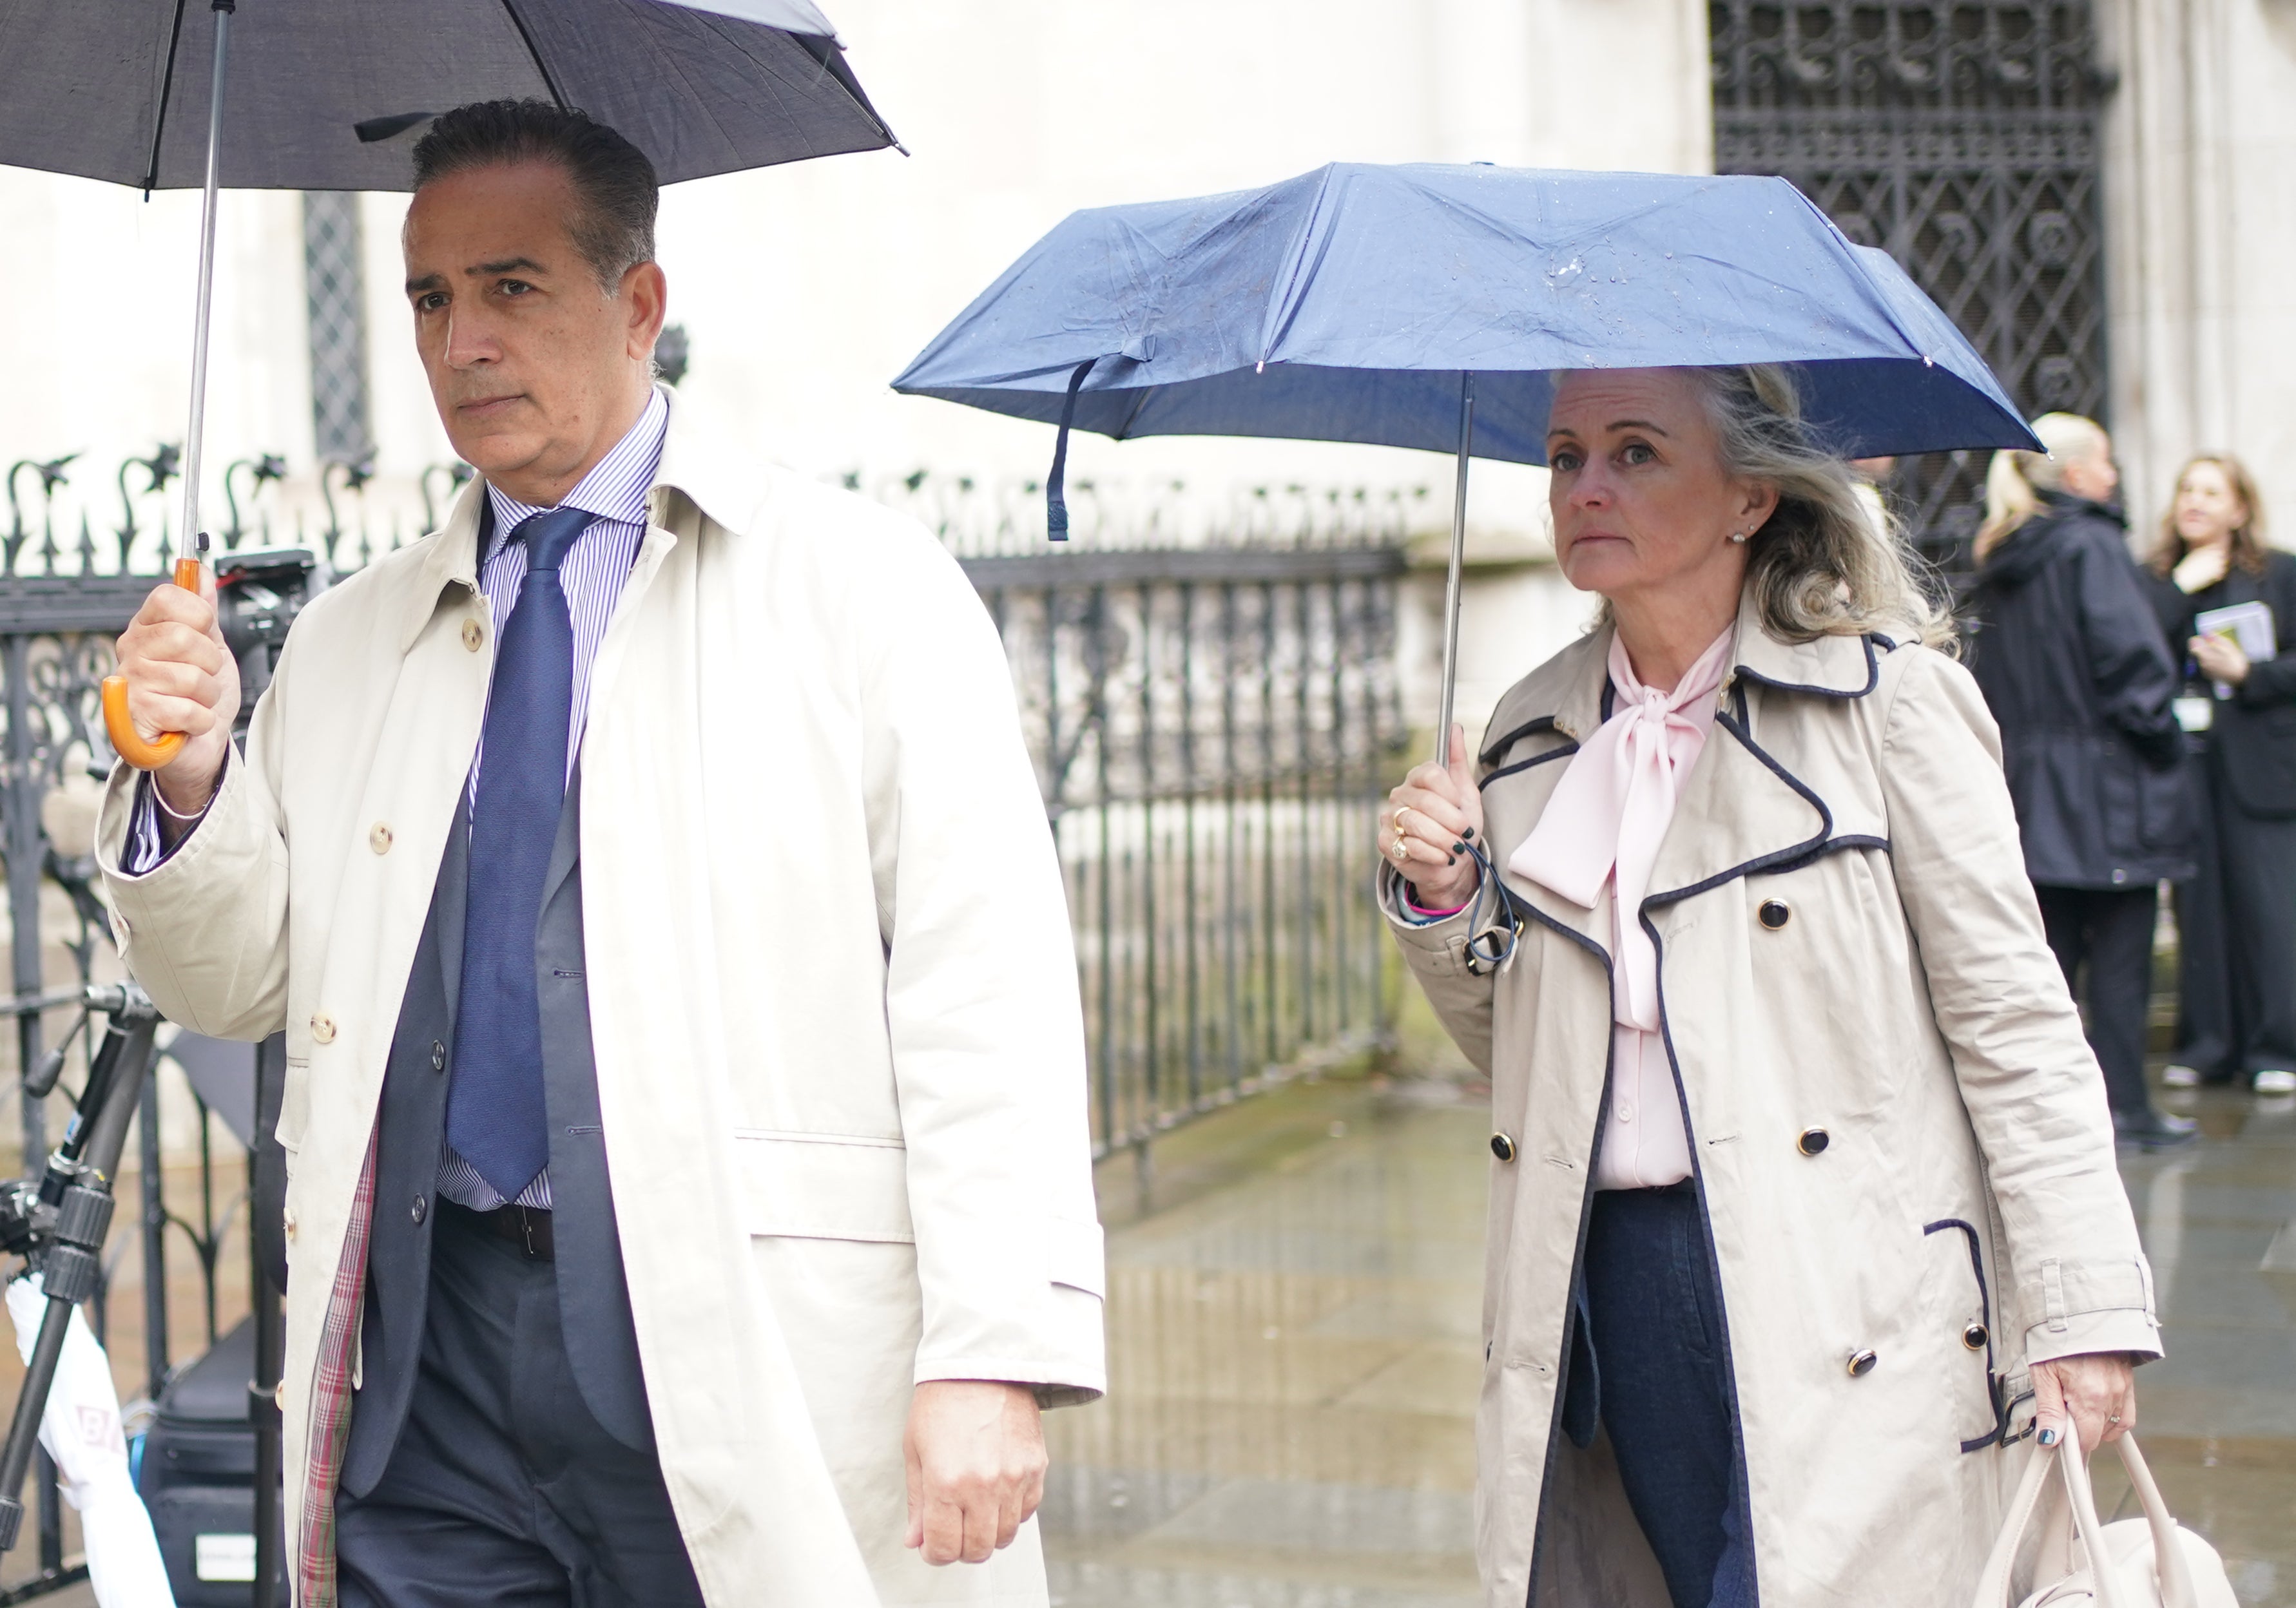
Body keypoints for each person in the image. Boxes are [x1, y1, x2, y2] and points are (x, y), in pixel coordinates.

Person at [96, 101, 1105, 1608]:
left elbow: (986, 995)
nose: (460, 342)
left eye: (512, 287)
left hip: (731, 1351)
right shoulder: (353, 634)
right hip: (423, 1378)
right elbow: (234, 981)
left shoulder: (865, 596)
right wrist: (190, 783)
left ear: (638, 305)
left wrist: (990, 1351)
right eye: (430, 297)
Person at [1379, 366, 2156, 1605]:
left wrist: (2082, 1311)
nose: (1585, 486)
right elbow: (1519, 1052)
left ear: (1748, 495)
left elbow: (2016, 1027)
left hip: (1849, 1285)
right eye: (1565, 453)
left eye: (1635, 452)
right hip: (1612, 1278)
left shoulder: (1887, 706)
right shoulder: (1527, 738)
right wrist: (1444, 898)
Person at [1963, 414, 2197, 1149]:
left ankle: (2043, 1117)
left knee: (2047, 963)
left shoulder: (2002, 553)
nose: (2114, 473)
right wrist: (2165, 741)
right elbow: (2130, 665)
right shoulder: (2090, 546)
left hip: (2030, 789)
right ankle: (2126, 1108)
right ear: (2073, 476)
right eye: (2103, 461)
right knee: (2122, 962)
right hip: (2105, 788)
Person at [2141, 454, 2296, 1096]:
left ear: (2239, 508)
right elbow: (2132, 655)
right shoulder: (2153, 579)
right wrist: (2177, 588)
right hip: (2184, 766)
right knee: (2197, 910)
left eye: (2210, 491)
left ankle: (2275, 1050)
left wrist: (2249, 676)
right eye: (2185, 490)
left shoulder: (2278, 574)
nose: (2194, 502)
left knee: (2268, 909)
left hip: (2262, 767)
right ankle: (2207, 1047)